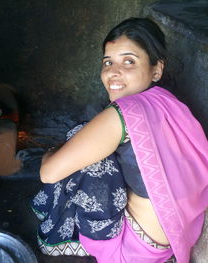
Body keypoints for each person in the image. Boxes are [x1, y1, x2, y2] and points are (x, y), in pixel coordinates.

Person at [31, 17, 208, 263]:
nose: (113, 72)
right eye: (108, 61)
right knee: (90, 141)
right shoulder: (168, 103)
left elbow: (48, 173)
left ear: (156, 69)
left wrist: (51, 152)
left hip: (131, 252)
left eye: (129, 61)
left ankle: (63, 236)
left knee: (81, 143)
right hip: (173, 239)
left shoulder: (125, 112)